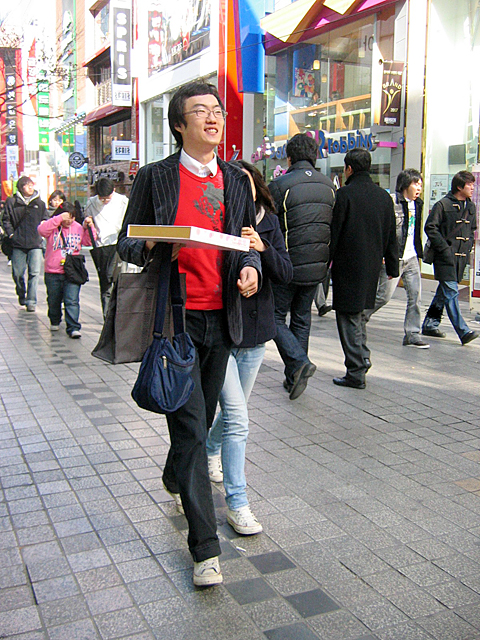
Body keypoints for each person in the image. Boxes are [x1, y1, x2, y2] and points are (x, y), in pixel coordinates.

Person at [117, 81, 261, 587]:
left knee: (201, 422)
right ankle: (205, 549)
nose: (212, 118)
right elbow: (127, 245)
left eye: (216, 110)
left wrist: (251, 267)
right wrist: (158, 247)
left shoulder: (236, 180)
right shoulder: (156, 178)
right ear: (179, 125)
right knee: (192, 426)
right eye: (199, 111)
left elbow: (245, 241)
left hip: (222, 318)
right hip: (174, 320)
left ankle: (175, 475)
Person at [206, 160, 292, 535]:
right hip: (222, 332)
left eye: (246, 185)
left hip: (256, 334)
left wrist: (263, 248)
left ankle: (209, 450)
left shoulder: (269, 221)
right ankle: (238, 503)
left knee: (231, 414)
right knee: (238, 417)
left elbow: (287, 272)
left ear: (255, 187)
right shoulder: (216, 221)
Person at [268, 133, 335, 400]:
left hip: (287, 265)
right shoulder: (329, 185)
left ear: (290, 156)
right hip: (317, 266)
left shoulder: (280, 185)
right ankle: (293, 375)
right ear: (315, 155)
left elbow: (270, 226)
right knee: (301, 318)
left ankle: (297, 364)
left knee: (274, 318)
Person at [330, 149, 398, 389]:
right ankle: (363, 357)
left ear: (349, 169)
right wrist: (392, 266)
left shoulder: (344, 195)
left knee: (348, 318)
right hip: (372, 267)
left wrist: (325, 262)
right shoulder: (383, 197)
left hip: (347, 266)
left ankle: (356, 369)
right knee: (358, 315)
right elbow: (392, 235)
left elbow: (334, 233)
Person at [363, 169, 429, 348]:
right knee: (383, 296)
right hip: (394, 257)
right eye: (416, 184)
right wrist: (383, 253)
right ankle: (360, 318)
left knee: (415, 296)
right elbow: (381, 228)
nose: (419, 188)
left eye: (421, 185)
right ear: (405, 184)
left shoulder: (419, 204)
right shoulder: (391, 202)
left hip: (412, 257)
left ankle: (412, 333)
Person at [422, 171, 479, 345]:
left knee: (443, 292)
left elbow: (472, 229)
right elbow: (430, 227)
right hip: (444, 257)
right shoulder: (443, 204)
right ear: (459, 187)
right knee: (452, 292)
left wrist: (468, 246)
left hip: (461, 258)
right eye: (469, 185)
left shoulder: (470, 207)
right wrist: (444, 248)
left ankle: (430, 324)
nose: (472, 187)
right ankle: (463, 331)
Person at [38, 202, 96, 338]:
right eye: (67, 218)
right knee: (54, 299)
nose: (70, 221)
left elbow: (88, 242)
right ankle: (55, 319)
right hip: (53, 270)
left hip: (72, 270)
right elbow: (41, 230)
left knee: (72, 300)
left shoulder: (78, 227)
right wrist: (58, 219)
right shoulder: (52, 226)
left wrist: (90, 227)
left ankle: (73, 327)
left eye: (72, 217)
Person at [84, 178, 128, 317]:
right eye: (101, 199)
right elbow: (86, 219)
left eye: (107, 198)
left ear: (113, 191)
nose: (104, 201)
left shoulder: (123, 201)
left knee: (117, 280)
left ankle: (119, 316)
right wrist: (87, 221)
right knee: (105, 283)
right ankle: (107, 317)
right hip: (101, 246)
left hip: (118, 244)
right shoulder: (91, 203)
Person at [3, 176, 47, 312]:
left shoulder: (39, 203)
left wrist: (42, 233)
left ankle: (31, 301)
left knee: (34, 273)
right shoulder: (12, 202)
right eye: (27, 186)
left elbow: (45, 218)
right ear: (21, 187)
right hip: (18, 243)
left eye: (32, 185)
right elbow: (6, 220)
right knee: (17, 273)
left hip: (35, 243)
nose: (30, 188)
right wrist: (11, 234)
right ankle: (21, 293)